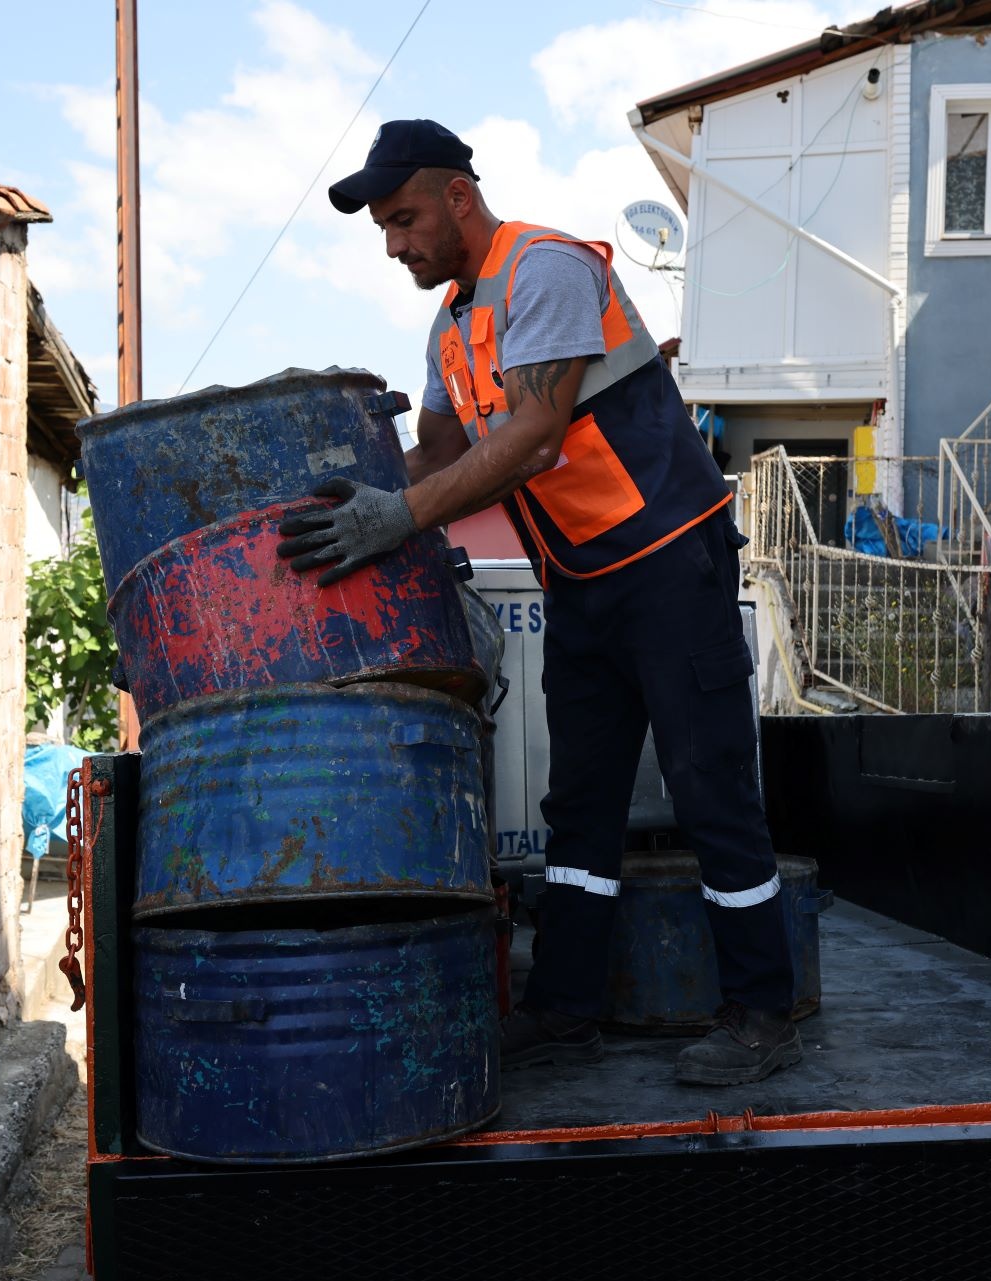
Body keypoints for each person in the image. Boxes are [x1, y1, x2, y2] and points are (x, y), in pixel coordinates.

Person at [277, 119, 797, 1085]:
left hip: (670, 561)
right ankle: (566, 1008)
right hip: (587, 579)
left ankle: (763, 1011)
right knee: (580, 805)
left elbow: (537, 434)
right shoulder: (449, 326)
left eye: (404, 220)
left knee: (709, 785)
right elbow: (436, 454)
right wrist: (344, 492)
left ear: (457, 197)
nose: (396, 245)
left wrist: (399, 519)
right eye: (386, 230)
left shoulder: (545, 271)